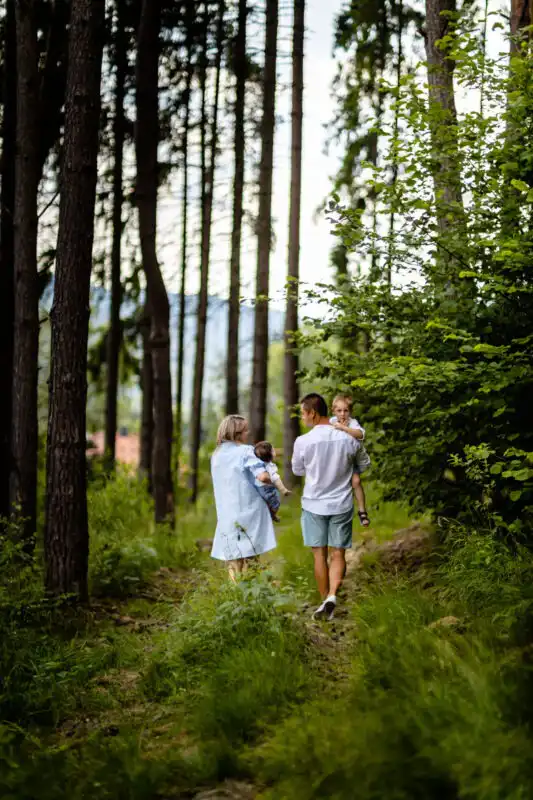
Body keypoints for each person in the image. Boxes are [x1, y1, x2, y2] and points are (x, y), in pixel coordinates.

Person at [292, 393, 360, 621]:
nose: (302, 417)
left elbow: (298, 471)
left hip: (313, 504)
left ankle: (324, 602)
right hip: (341, 502)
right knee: (338, 552)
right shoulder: (349, 437)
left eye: (303, 413)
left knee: (319, 555)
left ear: (312, 412)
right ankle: (332, 596)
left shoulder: (303, 442)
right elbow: (362, 464)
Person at [211, 415, 277, 580]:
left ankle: (237, 597)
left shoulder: (216, 455)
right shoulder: (246, 451)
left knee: (233, 560)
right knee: (252, 558)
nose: (248, 433)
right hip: (250, 510)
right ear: (237, 433)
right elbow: (262, 477)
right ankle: (252, 597)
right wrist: (273, 479)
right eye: (245, 430)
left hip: (227, 512)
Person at [330, 394, 371, 527]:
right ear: (333, 411)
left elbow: (361, 435)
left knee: (356, 481)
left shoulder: (352, 423)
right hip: (336, 461)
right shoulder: (331, 422)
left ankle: (362, 511)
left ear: (350, 411)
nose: (342, 414)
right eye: (339, 411)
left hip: (351, 459)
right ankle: (336, 511)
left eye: (346, 410)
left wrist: (344, 428)